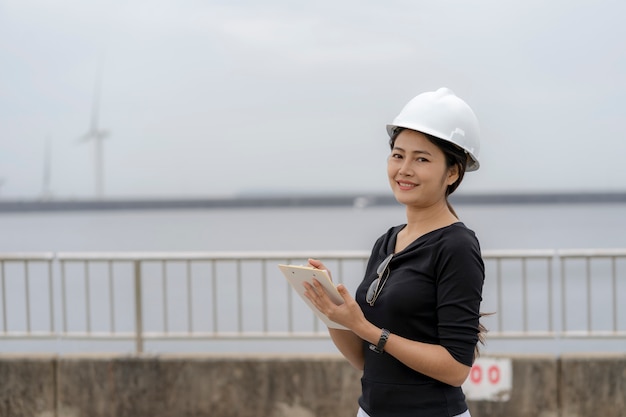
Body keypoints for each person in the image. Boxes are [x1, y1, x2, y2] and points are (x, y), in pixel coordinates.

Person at [303, 87, 485, 417]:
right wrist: (334, 314)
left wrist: (369, 330)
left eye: (422, 159)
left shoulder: (456, 246)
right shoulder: (387, 241)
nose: (404, 169)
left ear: (453, 172)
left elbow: (456, 368)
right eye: (398, 155)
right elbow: (365, 358)